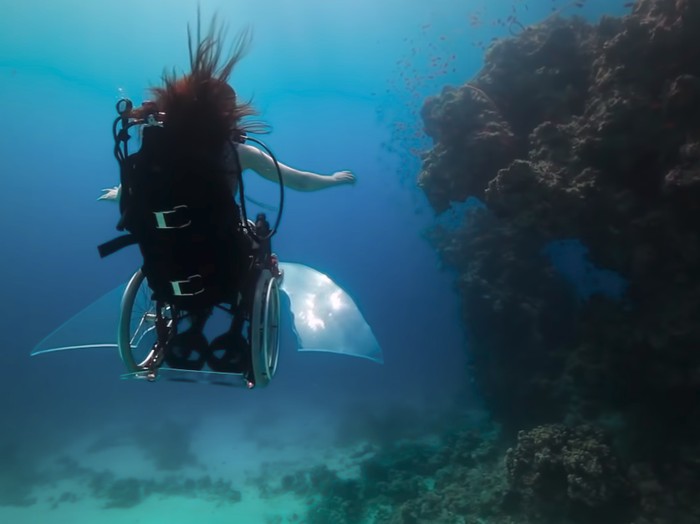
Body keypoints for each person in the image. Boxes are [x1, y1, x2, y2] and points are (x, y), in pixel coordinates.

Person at [98, 14, 355, 377]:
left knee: (193, 243)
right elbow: (298, 182)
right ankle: (236, 333)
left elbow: (137, 189)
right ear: (226, 114)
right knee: (257, 239)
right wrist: (332, 179)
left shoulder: (154, 149)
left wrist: (117, 194)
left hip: (165, 265)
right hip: (223, 264)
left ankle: (187, 328)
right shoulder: (239, 153)